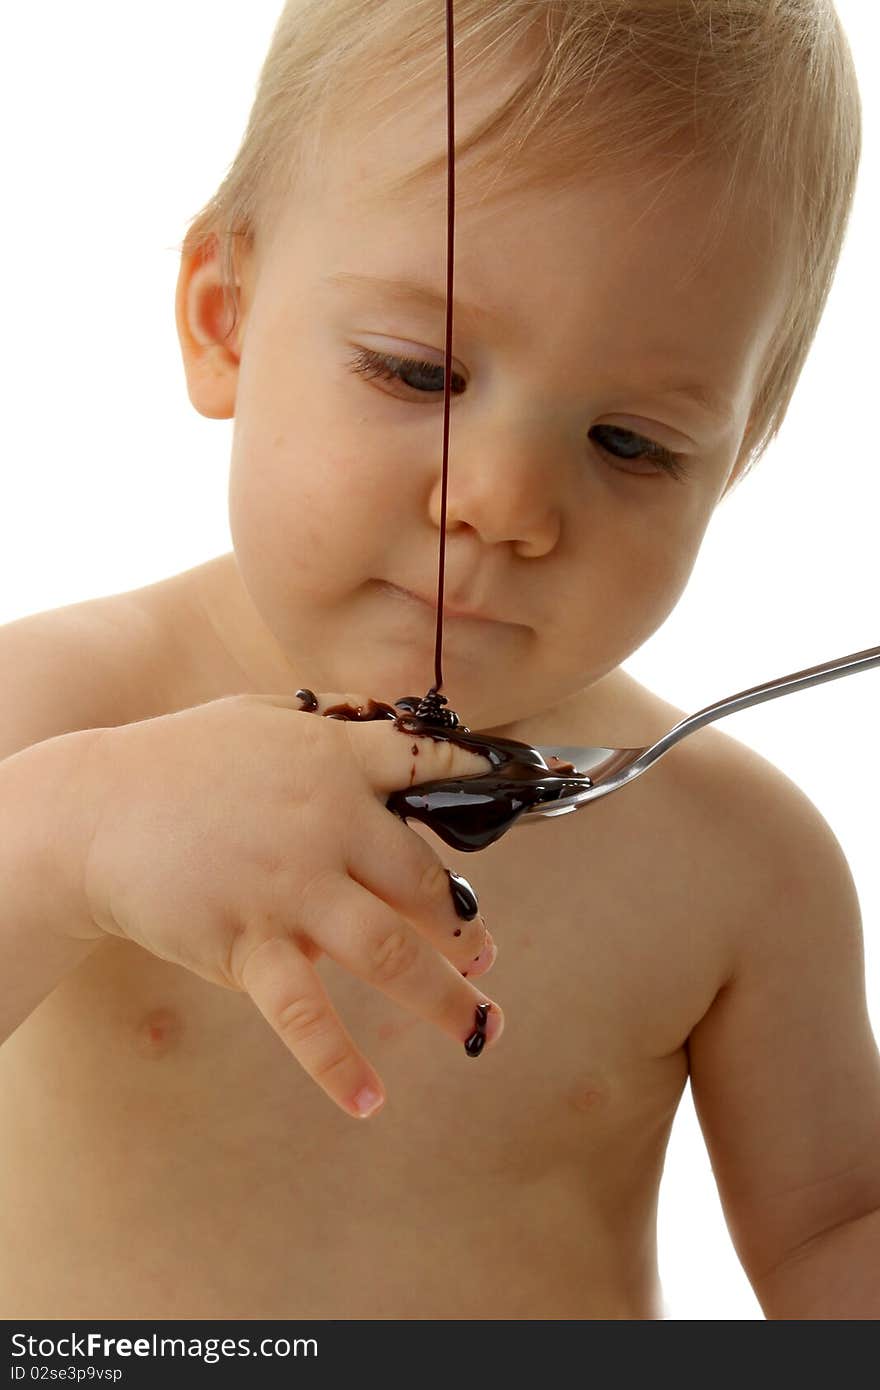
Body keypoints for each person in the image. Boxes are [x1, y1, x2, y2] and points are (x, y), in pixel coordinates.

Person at [1, 0, 877, 1321]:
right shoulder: (60, 718)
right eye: (421, 372)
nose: (505, 502)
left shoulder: (743, 866)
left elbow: (834, 1230)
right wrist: (68, 843)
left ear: (736, 462)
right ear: (224, 316)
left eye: (633, 444)